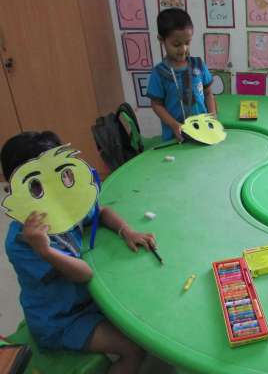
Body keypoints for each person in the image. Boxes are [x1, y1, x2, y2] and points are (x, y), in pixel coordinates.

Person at [2, 131, 156, 374]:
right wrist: (44, 249)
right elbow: (83, 274)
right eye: (38, 184)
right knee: (134, 348)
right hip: (60, 320)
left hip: (89, 299)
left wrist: (127, 231)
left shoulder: (64, 203)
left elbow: (101, 212)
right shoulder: (21, 241)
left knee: (144, 313)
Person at [147, 8, 217, 142]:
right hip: (176, 137)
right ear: (161, 39)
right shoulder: (159, 73)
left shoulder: (198, 65)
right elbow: (156, 104)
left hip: (203, 133)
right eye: (176, 44)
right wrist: (174, 125)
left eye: (187, 43)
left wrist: (212, 116)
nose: (183, 49)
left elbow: (208, 93)